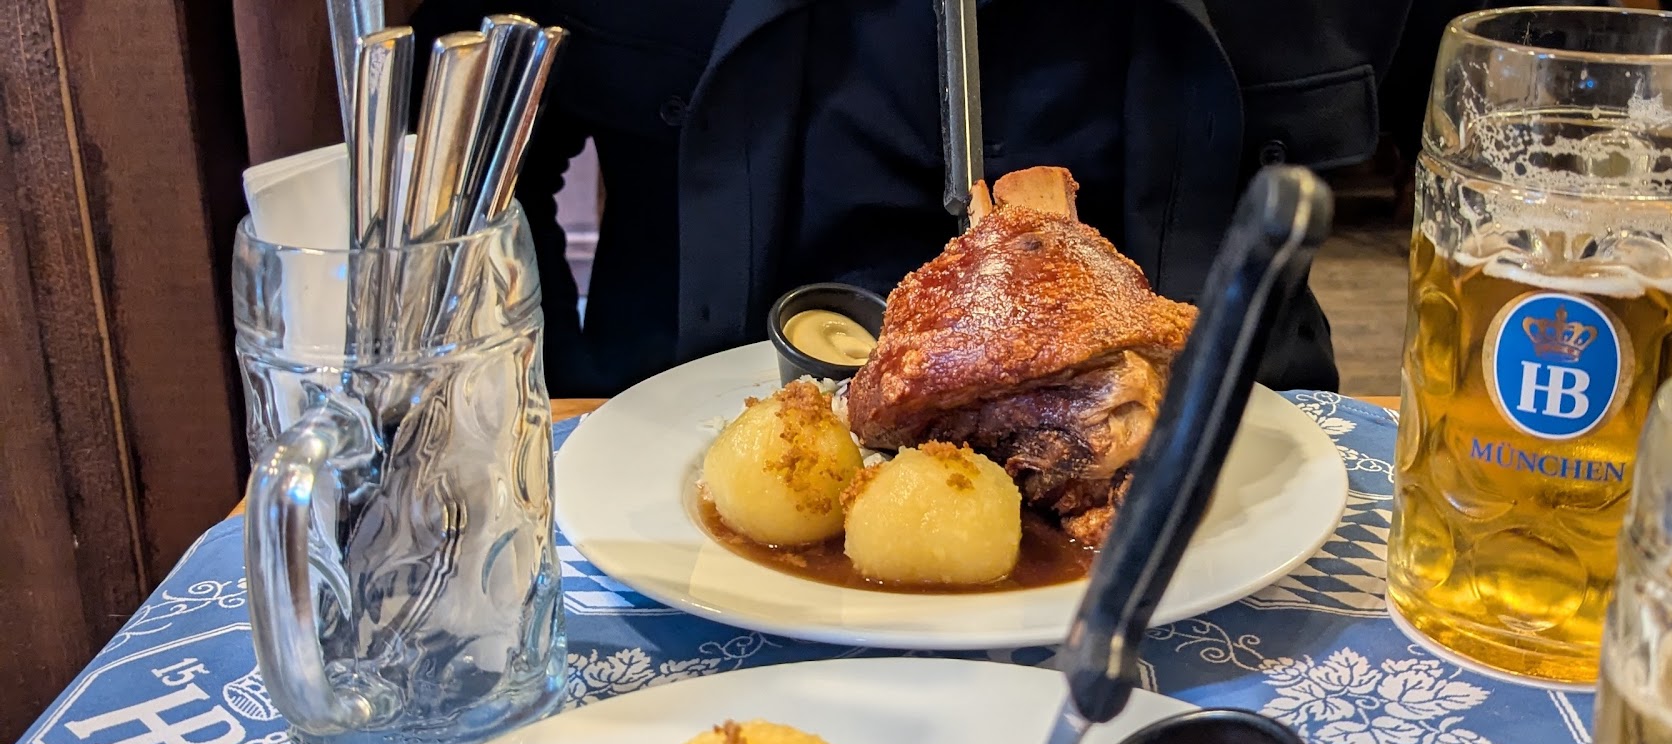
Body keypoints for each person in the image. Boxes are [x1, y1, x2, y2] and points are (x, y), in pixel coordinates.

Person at [409, 0, 1488, 398]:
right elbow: (461, 184)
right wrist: (537, 410)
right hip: (669, 490)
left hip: (1234, 487)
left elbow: (1511, 157)